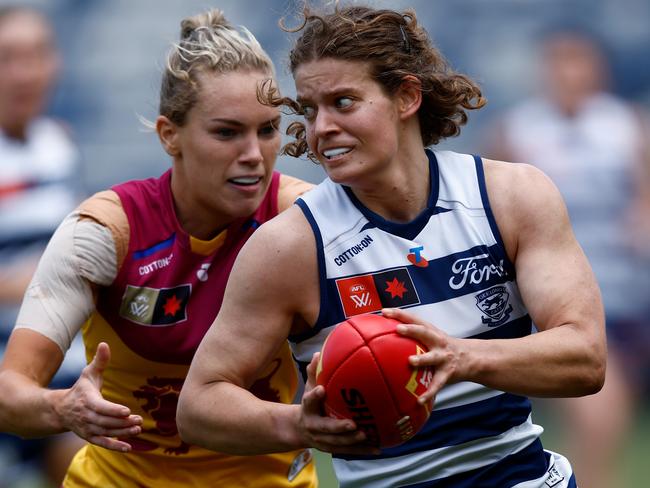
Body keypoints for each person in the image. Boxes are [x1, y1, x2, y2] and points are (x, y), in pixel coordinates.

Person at [177, 4, 606, 487]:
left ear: (406, 96)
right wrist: (297, 424)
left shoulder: (510, 197)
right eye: (310, 109)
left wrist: (460, 357)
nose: (321, 129)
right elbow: (198, 405)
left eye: (343, 102)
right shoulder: (290, 247)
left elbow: (585, 357)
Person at [0, 8, 318, 487]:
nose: (254, 154)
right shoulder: (104, 231)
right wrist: (63, 407)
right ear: (171, 135)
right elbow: (9, 394)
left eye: (267, 129)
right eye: (227, 132)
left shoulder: (307, 220)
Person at [486, 30, 650, 488]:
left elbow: (645, 195)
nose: (568, 72)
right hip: (559, 298)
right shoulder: (519, 130)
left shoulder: (624, 125)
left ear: (598, 68)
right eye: (558, 62)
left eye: (578, 61)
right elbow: (495, 212)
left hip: (625, 295)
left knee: (606, 433)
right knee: (601, 419)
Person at [0, 6, 86, 486]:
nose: (25, 72)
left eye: (36, 55)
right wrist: (44, 279)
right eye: (8, 57)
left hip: (61, 367)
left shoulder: (59, 145)